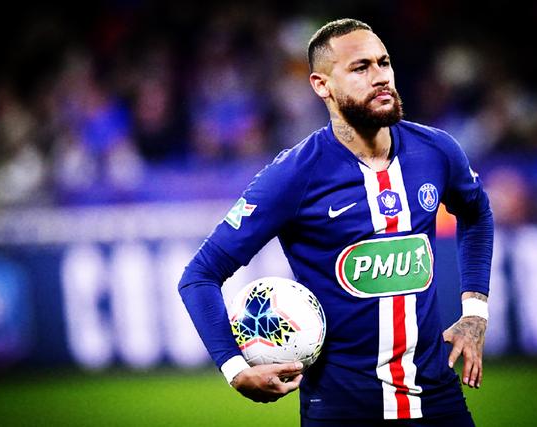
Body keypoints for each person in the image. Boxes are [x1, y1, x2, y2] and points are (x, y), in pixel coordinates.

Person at [179, 18, 493, 427]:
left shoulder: (436, 151)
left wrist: (475, 312)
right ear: (321, 85)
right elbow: (199, 275)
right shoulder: (294, 175)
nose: (380, 77)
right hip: (341, 411)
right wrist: (235, 369)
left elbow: (476, 212)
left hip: (439, 402)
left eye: (383, 62)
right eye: (360, 68)